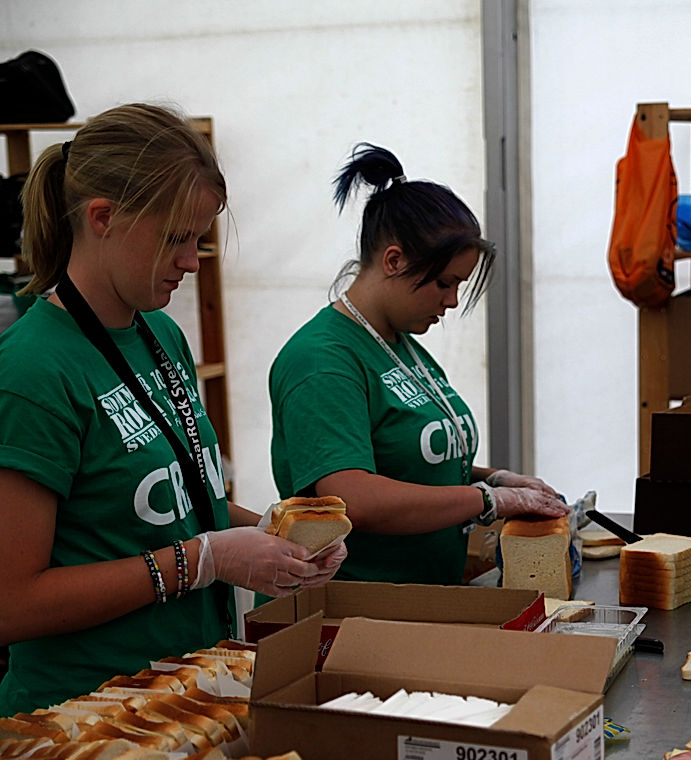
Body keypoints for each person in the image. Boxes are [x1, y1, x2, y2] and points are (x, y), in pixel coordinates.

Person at [0, 104, 347, 716]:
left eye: (198, 239)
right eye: (175, 239)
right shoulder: (31, 370)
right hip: (80, 720)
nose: (191, 262)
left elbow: (184, 504)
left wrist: (274, 534)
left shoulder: (161, 334)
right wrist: (202, 561)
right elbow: (12, 601)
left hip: (186, 693)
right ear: (102, 218)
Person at [269, 144, 567, 586]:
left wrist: (497, 479)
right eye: (445, 283)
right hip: (352, 612)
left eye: (459, 285)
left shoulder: (401, 344)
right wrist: (488, 500)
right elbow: (355, 497)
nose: (452, 301)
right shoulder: (323, 360)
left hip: (418, 601)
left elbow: (410, 460)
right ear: (394, 261)